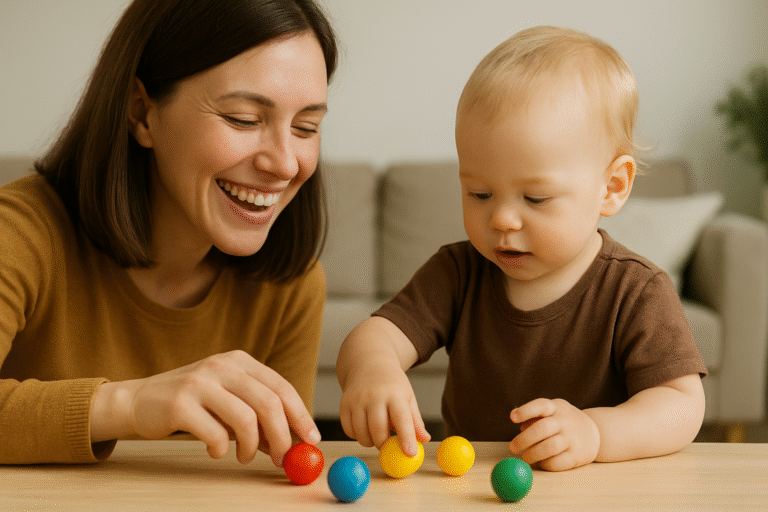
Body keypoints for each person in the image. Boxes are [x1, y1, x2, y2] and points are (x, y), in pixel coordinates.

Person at [336, 26, 707, 472]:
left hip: (593, 492)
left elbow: (682, 404)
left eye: (535, 198)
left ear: (611, 187)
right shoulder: (458, 272)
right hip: (470, 491)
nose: (502, 220)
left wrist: (596, 432)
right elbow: (374, 336)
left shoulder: (636, 291)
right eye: (479, 193)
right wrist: (374, 370)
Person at [0, 0, 337, 466]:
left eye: (306, 127)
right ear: (141, 113)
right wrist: (128, 404)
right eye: (243, 119)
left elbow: (284, 466)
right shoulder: (19, 235)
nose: (284, 164)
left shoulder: (290, 286)